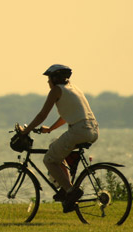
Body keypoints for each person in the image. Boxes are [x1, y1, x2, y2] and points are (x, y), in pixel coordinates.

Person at [19, 64, 99, 213]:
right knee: (54, 148)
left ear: (55, 79)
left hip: (79, 130)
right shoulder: (74, 89)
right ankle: (66, 188)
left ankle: (70, 190)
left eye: (49, 79)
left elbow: (42, 115)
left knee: (48, 159)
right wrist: (50, 129)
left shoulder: (56, 90)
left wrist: (26, 131)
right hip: (92, 129)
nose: (48, 82)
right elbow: (65, 116)